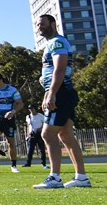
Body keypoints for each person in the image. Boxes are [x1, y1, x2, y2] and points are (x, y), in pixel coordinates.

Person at [33, 14, 90, 189]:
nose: (39, 27)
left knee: (47, 134)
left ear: (52, 23)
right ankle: (81, 177)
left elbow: (60, 67)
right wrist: (47, 93)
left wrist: (52, 93)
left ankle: (55, 177)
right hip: (61, 92)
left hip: (62, 93)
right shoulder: (50, 44)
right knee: (65, 135)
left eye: (42, 24)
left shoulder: (57, 42)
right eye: (37, 25)